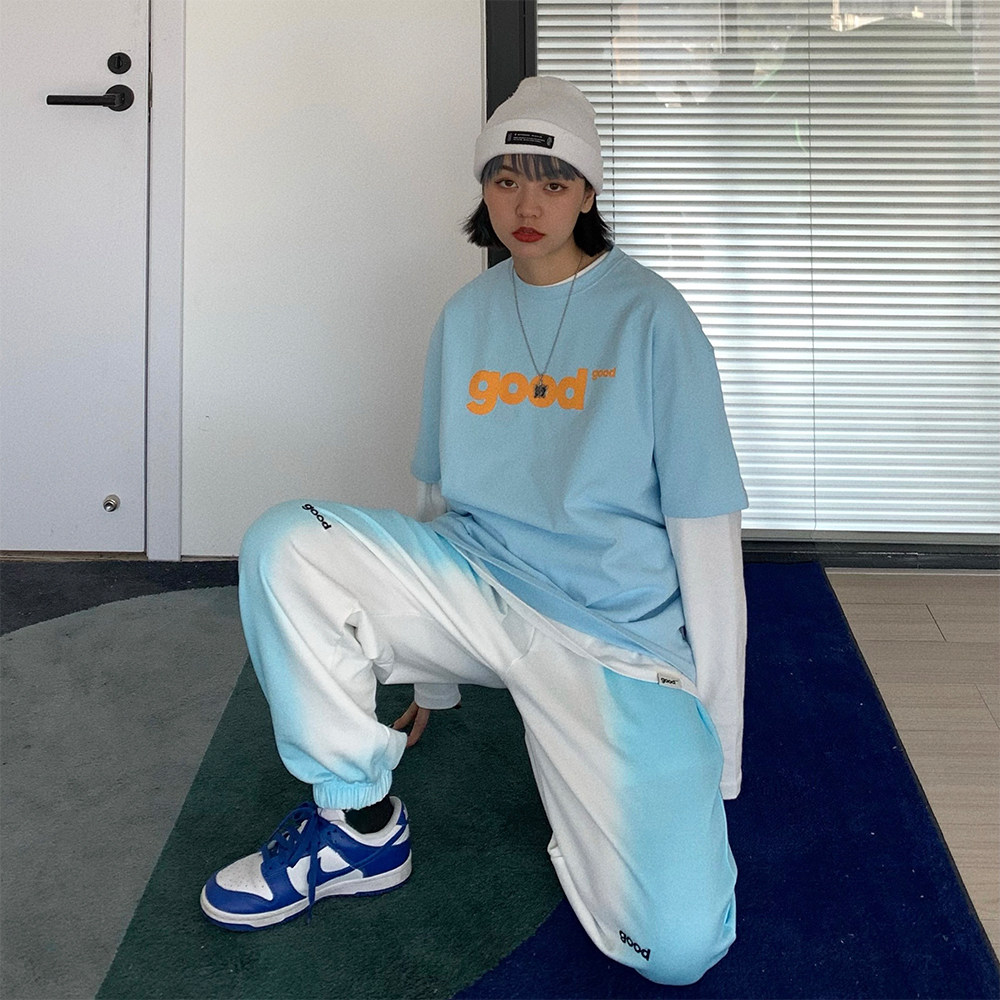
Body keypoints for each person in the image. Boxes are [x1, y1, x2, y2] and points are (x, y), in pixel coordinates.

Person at [200, 76, 748, 986]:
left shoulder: (655, 319)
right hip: (474, 582)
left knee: (680, 950)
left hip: (611, 639)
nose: (527, 206)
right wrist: (432, 677)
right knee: (285, 542)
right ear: (484, 190)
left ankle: (617, 776)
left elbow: (707, 537)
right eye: (505, 179)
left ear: (588, 192)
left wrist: (717, 740)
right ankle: (358, 825)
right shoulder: (467, 316)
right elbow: (436, 492)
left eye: (553, 182)